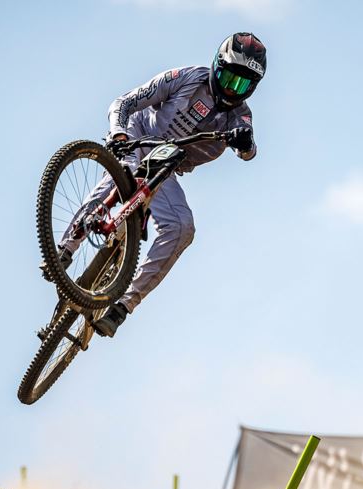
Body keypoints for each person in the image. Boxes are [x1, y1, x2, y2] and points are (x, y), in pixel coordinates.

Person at [54, 32, 265, 337]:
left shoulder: (240, 115)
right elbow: (124, 103)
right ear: (217, 67)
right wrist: (118, 135)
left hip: (167, 169)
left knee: (183, 227)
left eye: (243, 84)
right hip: (137, 141)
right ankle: (65, 246)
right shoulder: (185, 78)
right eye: (230, 78)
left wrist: (246, 144)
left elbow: (248, 151)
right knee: (121, 174)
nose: (233, 90)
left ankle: (123, 306)